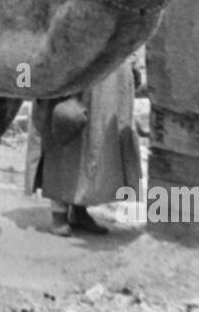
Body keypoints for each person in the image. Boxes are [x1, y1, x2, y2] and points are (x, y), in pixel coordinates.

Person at [24, 61, 142, 237]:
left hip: (104, 67)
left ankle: (80, 209)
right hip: (70, 63)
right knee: (65, 135)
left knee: (95, 142)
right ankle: (59, 212)